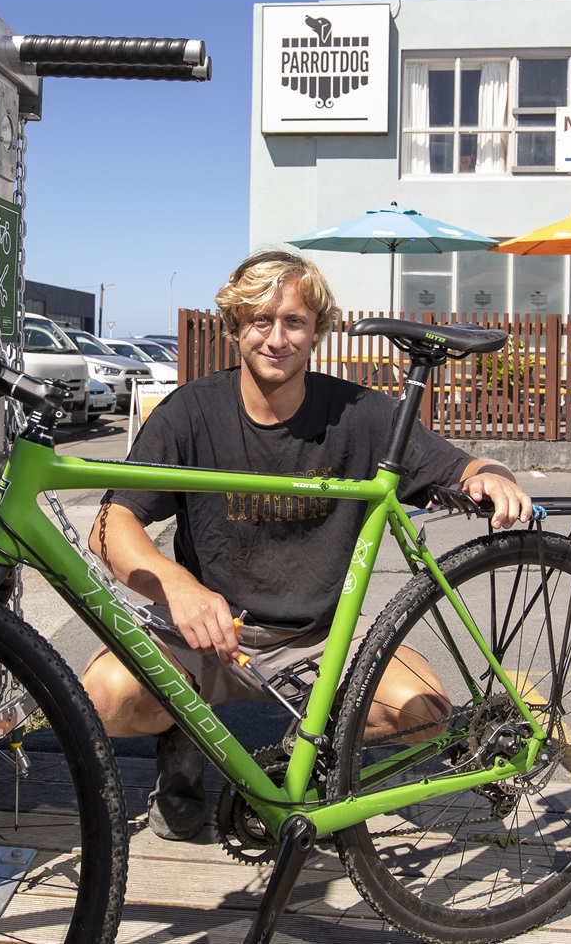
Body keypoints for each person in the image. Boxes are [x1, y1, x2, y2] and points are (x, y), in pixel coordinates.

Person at [84, 250, 532, 840]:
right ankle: (184, 742)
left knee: (423, 713)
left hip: (317, 639)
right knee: (105, 697)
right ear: (234, 327)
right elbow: (110, 525)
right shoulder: (190, 412)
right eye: (259, 321)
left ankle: (314, 754)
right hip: (204, 634)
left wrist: (491, 474)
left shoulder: (361, 414)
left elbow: (460, 463)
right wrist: (178, 586)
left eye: (294, 321)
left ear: (317, 330)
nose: (276, 338)